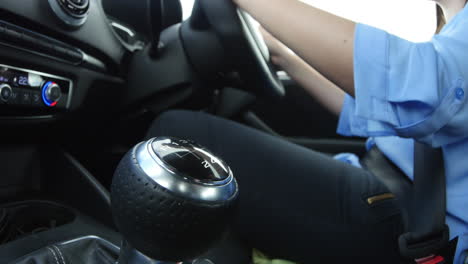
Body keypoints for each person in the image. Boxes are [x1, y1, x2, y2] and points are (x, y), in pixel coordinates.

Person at [147, 0, 468, 263]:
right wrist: (283, 55)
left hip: (415, 230)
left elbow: (420, 89)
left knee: (177, 135)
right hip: (392, 192)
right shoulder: (453, 34)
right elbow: (384, 110)